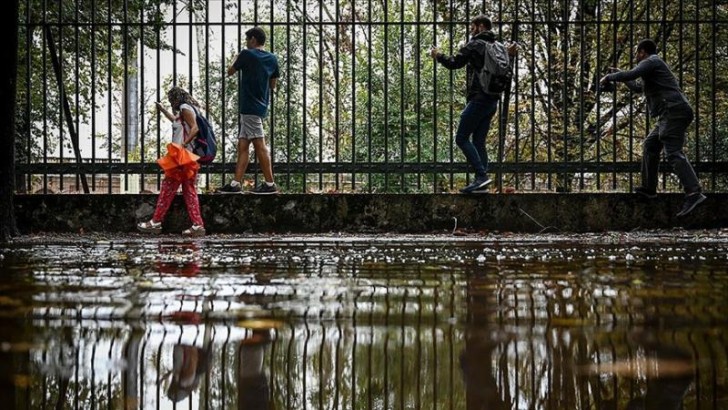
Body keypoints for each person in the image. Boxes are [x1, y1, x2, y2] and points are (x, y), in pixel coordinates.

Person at [600, 39, 706, 217]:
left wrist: (609, 77)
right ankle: (649, 188)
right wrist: (620, 76)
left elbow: (633, 74)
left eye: (636, 53)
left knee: (673, 152)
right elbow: (638, 87)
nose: (635, 57)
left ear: (642, 52)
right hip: (669, 113)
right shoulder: (652, 69)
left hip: (673, 111)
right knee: (650, 145)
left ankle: (694, 192)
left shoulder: (652, 61)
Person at [430, 15, 516, 194]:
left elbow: (455, 63)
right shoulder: (499, 47)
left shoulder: (475, 44)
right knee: (478, 141)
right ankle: (482, 186)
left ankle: (481, 176)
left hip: (478, 98)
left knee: (461, 138)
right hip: (492, 100)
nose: (471, 29)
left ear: (481, 26)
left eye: (473, 26)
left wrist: (438, 55)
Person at [218, 27, 280, 195]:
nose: (246, 43)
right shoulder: (272, 58)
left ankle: (269, 184)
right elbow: (272, 85)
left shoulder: (246, 54)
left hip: (249, 106)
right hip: (260, 106)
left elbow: (230, 71)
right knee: (243, 145)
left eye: (247, 39)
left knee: (260, 145)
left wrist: (237, 56)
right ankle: (236, 184)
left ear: (253, 39)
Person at [137, 87, 206, 236]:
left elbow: (195, 128)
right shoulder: (186, 109)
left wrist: (184, 144)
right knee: (189, 190)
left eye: (170, 99)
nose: (170, 102)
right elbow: (176, 121)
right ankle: (197, 225)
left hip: (181, 156)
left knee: (167, 188)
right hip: (188, 157)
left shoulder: (184, 108)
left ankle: (155, 222)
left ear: (176, 98)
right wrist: (162, 110)